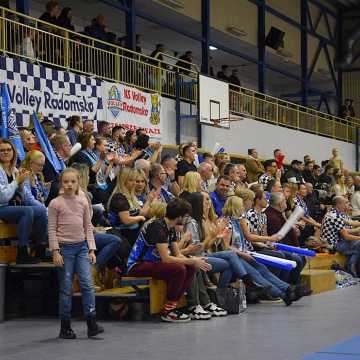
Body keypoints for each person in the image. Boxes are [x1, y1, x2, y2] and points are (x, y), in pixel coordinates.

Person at [127, 198, 208, 323]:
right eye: (185, 216)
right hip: (137, 265)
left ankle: (172, 305)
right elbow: (166, 259)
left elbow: (178, 254)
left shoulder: (170, 228)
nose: (186, 219)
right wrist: (191, 261)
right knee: (179, 269)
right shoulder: (157, 227)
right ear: (179, 217)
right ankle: (168, 311)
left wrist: (194, 260)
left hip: (153, 264)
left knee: (190, 268)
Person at [48, 168, 104, 339]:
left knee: (87, 284)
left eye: (73, 181)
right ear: (61, 183)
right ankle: (65, 326)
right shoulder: (55, 203)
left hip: (81, 248)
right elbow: (51, 229)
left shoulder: (83, 201)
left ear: (78, 182)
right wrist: (55, 251)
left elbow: (88, 226)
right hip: (64, 249)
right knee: (66, 289)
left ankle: (91, 322)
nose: (69, 185)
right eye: (66, 182)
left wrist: (91, 249)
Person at [0, 139, 49, 263]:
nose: (6, 152)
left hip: (12, 207)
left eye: (8, 149)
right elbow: (3, 197)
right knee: (26, 211)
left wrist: (21, 184)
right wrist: (17, 181)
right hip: (2, 207)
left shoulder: (14, 170)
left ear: (13, 152)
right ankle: (22, 252)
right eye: (2, 150)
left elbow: (24, 197)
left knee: (41, 210)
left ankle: (41, 250)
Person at [107, 167, 156, 246]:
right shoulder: (119, 197)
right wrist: (141, 218)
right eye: (131, 180)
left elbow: (140, 213)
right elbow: (126, 220)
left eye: (134, 180)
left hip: (133, 232)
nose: (134, 183)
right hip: (123, 234)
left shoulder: (130, 196)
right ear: (124, 181)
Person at [321, 196, 360, 276]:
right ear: (338, 204)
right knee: (358, 245)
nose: (347, 205)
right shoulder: (336, 216)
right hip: (332, 245)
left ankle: (350, 269)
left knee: (356, 244)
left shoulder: (333, 213)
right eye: (345, 203)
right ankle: (351, 270)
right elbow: (346, 236)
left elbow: (351, 225)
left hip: (335, 242)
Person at [43, 134, 71, 205]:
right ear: (63, 147)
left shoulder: (61, 162)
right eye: (69, 145)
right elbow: (53, 187)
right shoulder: (49, 162)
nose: (71, 148)